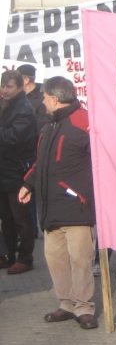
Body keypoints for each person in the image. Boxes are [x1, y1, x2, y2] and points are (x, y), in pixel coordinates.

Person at [19, 77, 98, 329]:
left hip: (77, 207)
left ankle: (84, 307)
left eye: (44, 97)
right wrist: (28, 184)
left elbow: (102, 158)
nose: (42, 101)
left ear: (54, 99)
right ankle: (66, 304)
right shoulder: (47, 126)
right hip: (50, 207)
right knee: (56, 259)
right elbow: (40, 162)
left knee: (81, 260)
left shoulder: (83, 121)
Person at [0, 70, 37, 274]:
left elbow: (13, 137)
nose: (5, 90)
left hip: (17, 171)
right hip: (4, 170)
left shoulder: (24, 109)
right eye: (3, 86)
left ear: (20, 87)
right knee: (5, 217)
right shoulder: (4, 104)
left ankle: (25, 257)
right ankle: (7, 253)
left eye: (9, 87)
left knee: (21, 218)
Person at [17, 64, 47, 239]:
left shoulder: (41, 99)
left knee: (32, 188)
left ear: (26, 80)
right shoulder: (18, 98)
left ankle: (34, 227)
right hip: (20, 152)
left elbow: (40, 127)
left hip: (34, 149)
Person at [17, 64, 49, 132]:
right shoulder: (17, 95)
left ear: (26, 80)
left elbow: (41, 125)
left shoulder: (43, 97)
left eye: (16, 79)